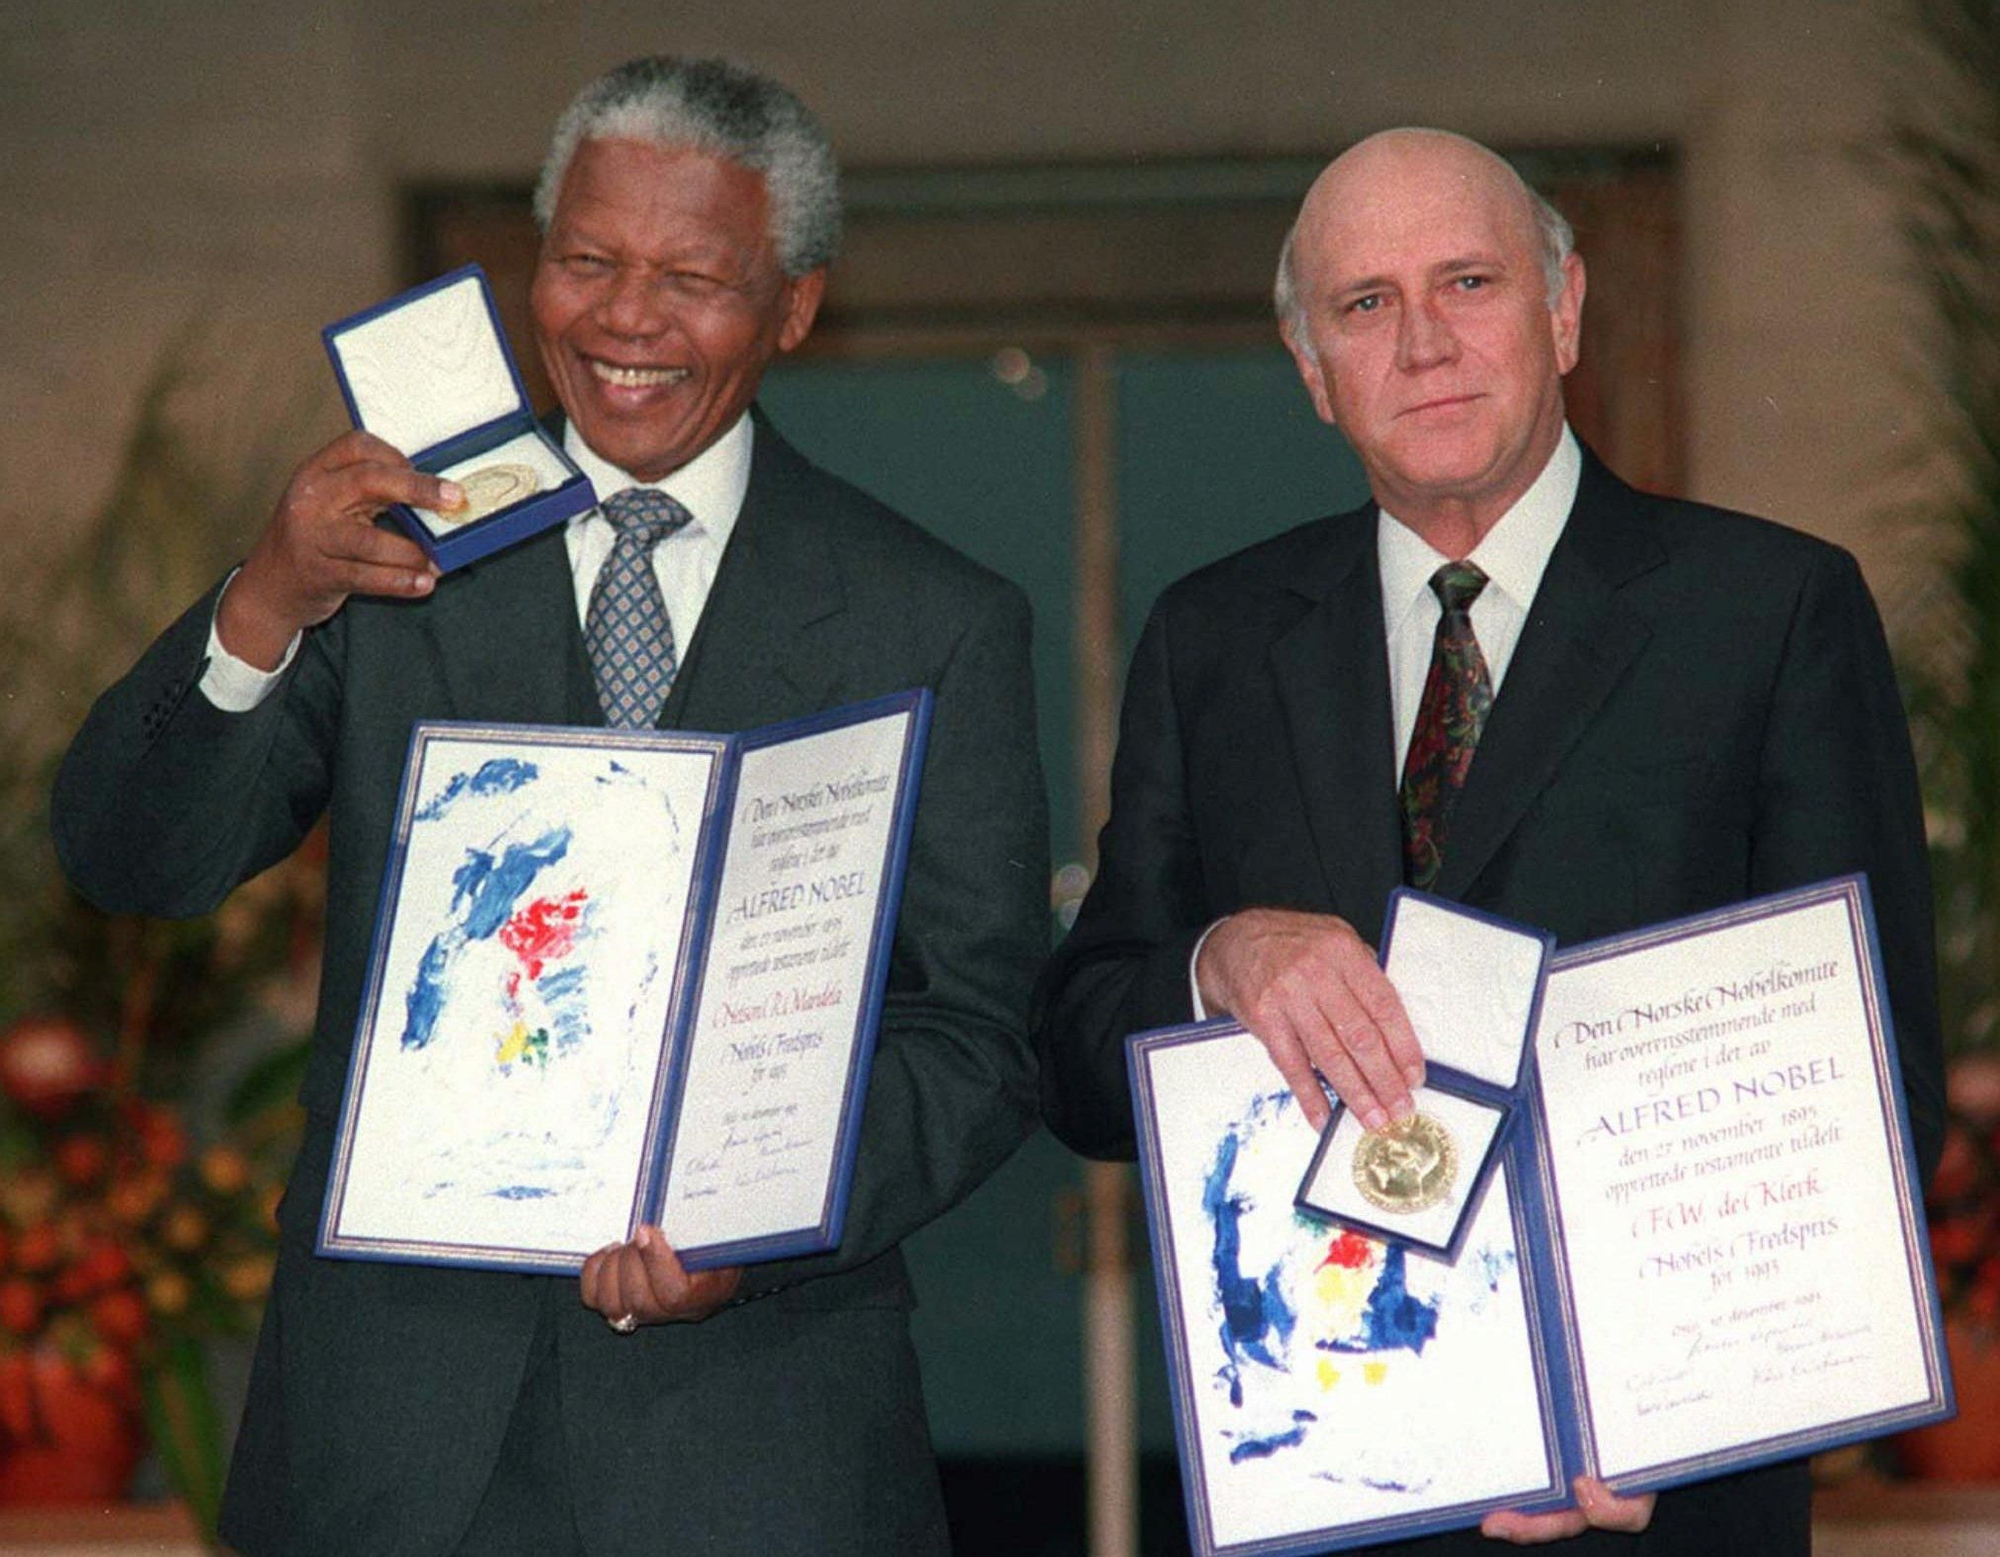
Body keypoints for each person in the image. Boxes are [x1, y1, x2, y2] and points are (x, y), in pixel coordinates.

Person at [53, 56, 1047, 1557]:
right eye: (586, 261)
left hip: (754, 1448)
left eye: (692, 278)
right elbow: (130, 856)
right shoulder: (385, 559)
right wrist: (265, 600)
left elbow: (977, 1034)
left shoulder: (932, 620)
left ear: (794, 306)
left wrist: (755, 1220)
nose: (625, 318)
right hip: (387, 1445)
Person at [1035, 128, 1943, 1554]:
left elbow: (1878, 1080)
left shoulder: (1769, 613)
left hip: (1659, 1503)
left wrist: (1692, 1407)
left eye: (1468, 281)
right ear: (1313, 371)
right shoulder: (1213, 642)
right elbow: (1080, 1052)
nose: (1423, 343)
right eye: (1365, 304)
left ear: (1565, 309)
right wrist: (1222, 959)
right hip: (1331, 1488)